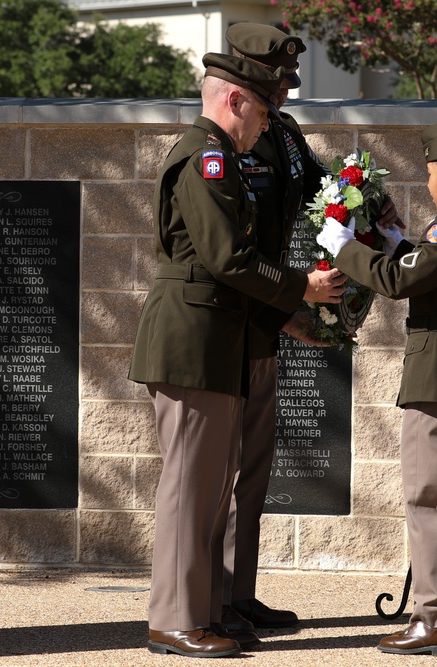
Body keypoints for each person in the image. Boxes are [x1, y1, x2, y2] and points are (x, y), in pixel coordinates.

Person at [128, 52, 346, 659]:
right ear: (236, 101)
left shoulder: (223, 155)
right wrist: (301, 286)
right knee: (189, 488)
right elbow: (226, 258)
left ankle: (199, 612)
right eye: (263, 110)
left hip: (215, 340)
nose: (267, 125)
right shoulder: (208, 158)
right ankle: (173, 619)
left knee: (211, 485)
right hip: (192, 340)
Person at [316, 119, 437, 656]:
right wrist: (398, 239)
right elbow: (436, 274)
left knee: (428, 503)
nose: (427, 183)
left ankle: (434, 619)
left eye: (430, 173)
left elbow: (401, 281)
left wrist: (342, 246)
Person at [218, 22, 328, 638]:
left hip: (266, 319)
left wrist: (367, 205)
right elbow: (227, 254)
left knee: (253, 470)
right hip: (238, 316)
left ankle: (239, 591)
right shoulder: (226, 142)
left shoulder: (282, 135)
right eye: (275, 83)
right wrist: (290, 306)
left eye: (287, 82)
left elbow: (321, 186)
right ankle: (209, 598)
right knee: (217, 472)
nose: (284, 94)